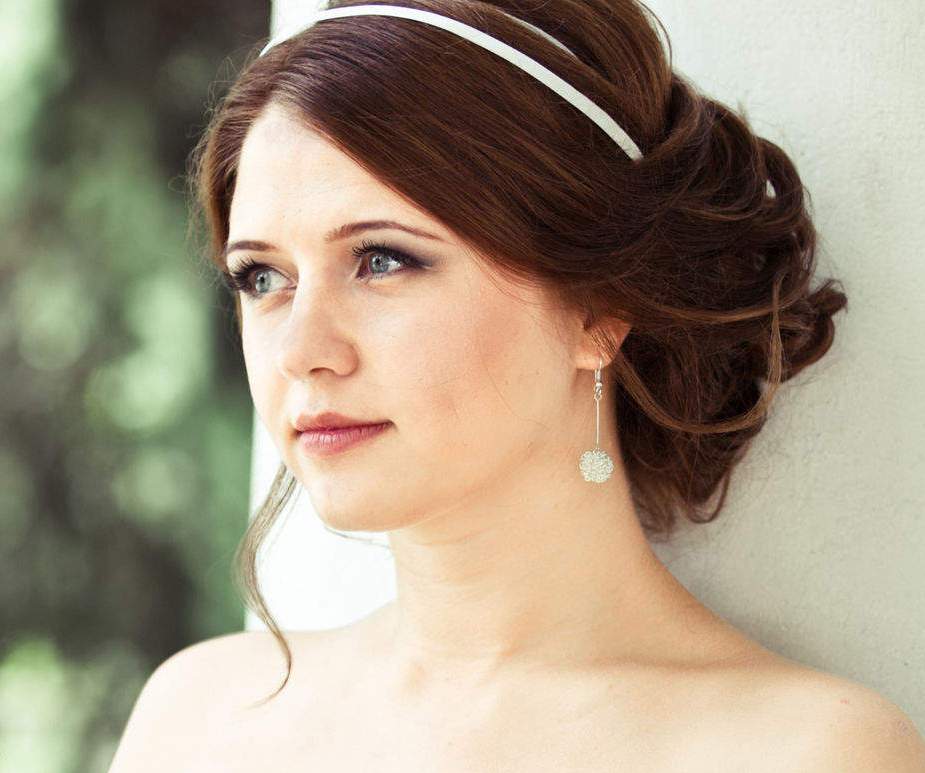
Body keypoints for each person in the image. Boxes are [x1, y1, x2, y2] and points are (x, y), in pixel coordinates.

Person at [108, 1, 925, 770]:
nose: (299, 349)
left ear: (599, 307)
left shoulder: (801, 752)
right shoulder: (198, 719)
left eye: (382, 260)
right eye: (261, 277)